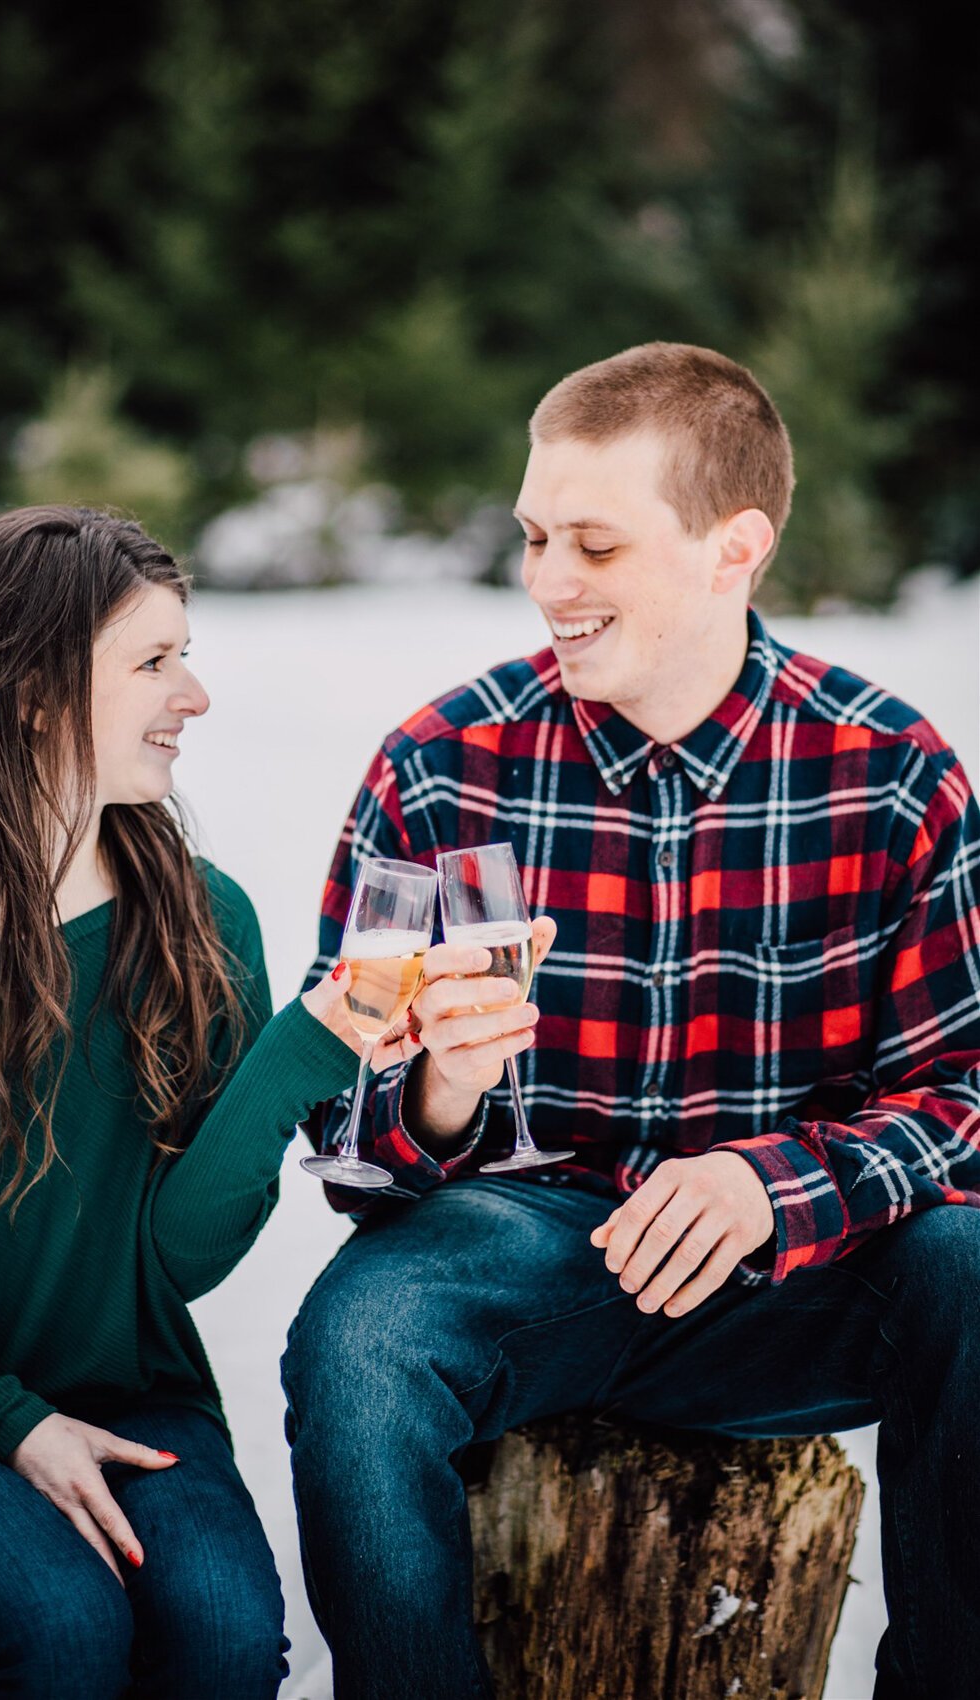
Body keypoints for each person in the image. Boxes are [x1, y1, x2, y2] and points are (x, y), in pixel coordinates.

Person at [283, 343, 980, 1700]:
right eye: (534, 536)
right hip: (534, 1253)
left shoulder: (888, 771)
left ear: (734, 548)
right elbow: (341, 1133)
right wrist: (434, 1095)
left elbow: (963, 1086)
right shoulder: (441, 765)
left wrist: (776, 1183)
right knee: (356, 1342)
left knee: (974, 1264)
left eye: (594, 544)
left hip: (805, 1278)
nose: (548, 580)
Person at [0, 506, 364, 1698]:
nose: (195, 695)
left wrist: (303, 1053)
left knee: (226, 1638)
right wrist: (13, 1420)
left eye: (185, 654)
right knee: (62, 1627)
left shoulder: (197, 916)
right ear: (31, 687)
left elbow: (164, 1266)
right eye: (153, 661)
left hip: (126, 1395)